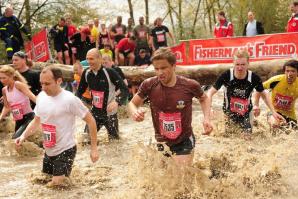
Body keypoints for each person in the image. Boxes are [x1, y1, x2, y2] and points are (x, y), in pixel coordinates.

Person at [15, 66, 99, 186]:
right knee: (43, 181)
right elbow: (36, 121)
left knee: (57, 185)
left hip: (66, 149)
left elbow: (91, 121)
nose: (43, 87)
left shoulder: (70, 99)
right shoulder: (41, 97)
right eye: (42, 84)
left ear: (59, 81)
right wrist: (23, 136)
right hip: (49, 149)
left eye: (47, 84)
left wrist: (94, 148)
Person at [128, 47, 213, 165]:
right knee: (164, 178)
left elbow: (204, 99)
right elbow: (132, 103)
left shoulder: (189, 85)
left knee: (181, 175)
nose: (160, 72)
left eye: (163, 68)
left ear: (173, 66)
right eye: (156, 69)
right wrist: (135, 112)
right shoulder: (149, 85)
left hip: (184, 140)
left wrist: (207, 118)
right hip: (162, 141)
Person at [207, 49, 284, 139]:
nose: (240, 68)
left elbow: (264, 94)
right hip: (229, 113)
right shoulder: (227, 76)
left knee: (247, 139)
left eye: (243, 64)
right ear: (233, 63)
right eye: (237, 64)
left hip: (246, 113)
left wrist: (273, 112)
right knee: (230, 140)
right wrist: (209, 108)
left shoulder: (253, 78)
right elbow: (210, 93)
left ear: (248, 63)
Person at [76, 48, 129, 141]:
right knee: (85, 141)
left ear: (99, 59)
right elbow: (79, 91)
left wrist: (117, 102)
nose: (89, 61)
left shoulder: (110, 72)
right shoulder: (86, 73)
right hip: (94, 114)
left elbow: (125, 89)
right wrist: (75, 105)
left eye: (91, 59)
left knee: (115, 144)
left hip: (110, 114)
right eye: (87, 59)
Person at [254, 60, 298, 129]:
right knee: (275, 124)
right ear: (284, 72)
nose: (290, 74)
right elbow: (258, 88)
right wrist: (256, 105)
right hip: (274, 112)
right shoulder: (276, 80)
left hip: (290, 116)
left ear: (297, 72)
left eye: (293, 71)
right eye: (287, 71)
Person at [0, 66, 36, 139]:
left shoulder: (18, 85)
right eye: (0, 78)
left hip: (28, 117)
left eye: (4, 78)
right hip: (18, 119)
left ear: (11, 76)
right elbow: (7, 107)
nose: (2, 80)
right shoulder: (4, 90)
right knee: (18, 141)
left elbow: (32, 96)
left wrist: (45, 108)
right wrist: (0, 118)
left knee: (15, 139)